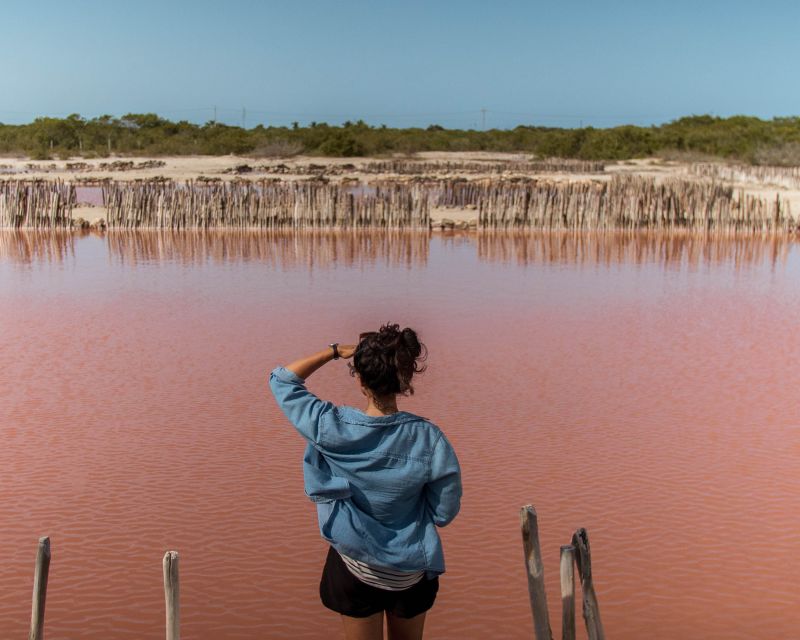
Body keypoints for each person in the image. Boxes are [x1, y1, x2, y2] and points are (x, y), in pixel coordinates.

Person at [269, 323, 462, 640]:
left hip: (355, 567)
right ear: (405, 379)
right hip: (410, 573)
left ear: (360, 379)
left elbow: (282, 380)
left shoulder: (330, 427)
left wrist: (334, 351)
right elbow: (444, 512)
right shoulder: (429, 439)